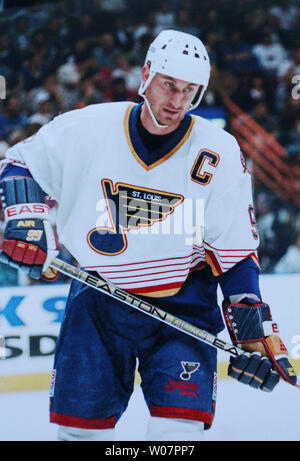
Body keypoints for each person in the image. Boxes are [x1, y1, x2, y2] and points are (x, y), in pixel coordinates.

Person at [0, 30, 297, 442]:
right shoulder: (88, 127)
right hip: (98, 300)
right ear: (145, 76)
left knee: (176, 435)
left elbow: (234, 254)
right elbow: (18, 164)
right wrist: (27, 219)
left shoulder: (220, 151)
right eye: (169, 85)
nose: (177, 102)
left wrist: (252, 331)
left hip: (184, 307)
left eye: (190, 90)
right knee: (77, 434)